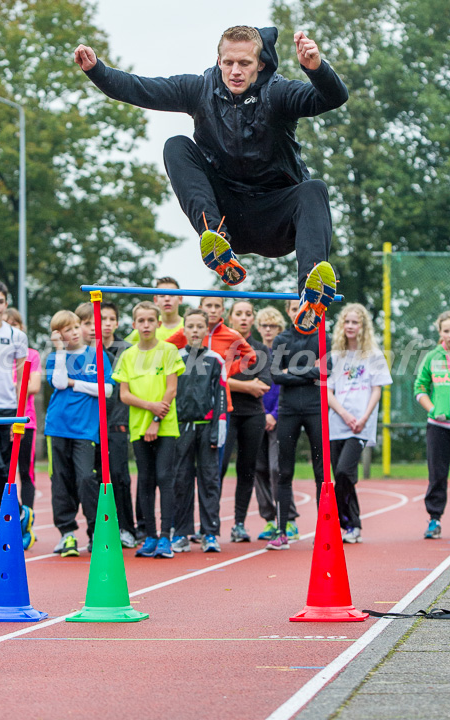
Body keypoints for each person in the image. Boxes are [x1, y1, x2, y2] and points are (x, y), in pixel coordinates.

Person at [75, 25, 348, 334]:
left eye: (244, 64)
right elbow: (141, 89)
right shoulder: (199, 90)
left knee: (314, 190)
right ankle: (216, 245)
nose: (235, 71)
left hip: (277, 220)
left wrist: (316, 69)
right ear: (218, 61)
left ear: (260, 64)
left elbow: (333, 97)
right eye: (228, 63)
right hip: (228, 218)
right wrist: (97, 70)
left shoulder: (279, 93)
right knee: (176, 146)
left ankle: (311, 293)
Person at [167, 294, 257, 541]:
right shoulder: (188, 331)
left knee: (211, 474)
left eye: (218, 306)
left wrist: (226, 370)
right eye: (209, 305)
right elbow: (164, 347)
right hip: (186, 413)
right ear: (201, 309)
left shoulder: (229, 335)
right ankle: (182, 529)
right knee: (182, 475)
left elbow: (251, 357)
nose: (214, 309)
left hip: (217, 408)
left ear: (223, 310)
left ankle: (210, 530)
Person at [112, 301, 185, 559]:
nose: (145, 325)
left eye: (150, 321)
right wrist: (149, 407)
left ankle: (166, 536)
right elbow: (124, 395)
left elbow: (171, 389)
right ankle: (150, 536)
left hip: (165, 426)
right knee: (145, 480)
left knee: (164, 478)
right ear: (134, 325)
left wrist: (156, 417)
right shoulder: (128, 355)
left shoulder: (168, 351)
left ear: (158, 324)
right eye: (140, 321)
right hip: (138, 428)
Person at [45, 310, 114, 557]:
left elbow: (107, 390)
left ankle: (95, 533)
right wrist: (60, 351)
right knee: (61, 480)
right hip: (58, 426)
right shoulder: (56, 357)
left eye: (76, 327)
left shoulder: (97, 354)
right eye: (67, 330)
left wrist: (77, 384)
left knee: (86, 478)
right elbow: (60, 383)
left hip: (85, 429)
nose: (74, 332)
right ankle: (67, 534)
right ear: (58, 335)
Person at [266, 297, 331, 550]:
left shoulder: (321, 337)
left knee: (321, 473)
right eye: (295, 309)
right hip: (289, 411)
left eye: (303, 308)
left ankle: (324, 530)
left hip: (316, 410)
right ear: (289, 311)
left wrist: (291, 372)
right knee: (284, 471)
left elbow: (327, 370)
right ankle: (281, 532)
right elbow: (275, 376)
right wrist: (310, 373)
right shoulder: (282, 340)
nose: (300, 312)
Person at [328, 304, 392, 544]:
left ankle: (350, 523)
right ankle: (350, 526)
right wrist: (344, 414)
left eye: (355, 322)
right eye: (347, 322)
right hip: (337, 424)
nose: (350, 326)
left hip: (361, 426)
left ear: (363, 326)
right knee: (341, 476)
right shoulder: (334, 356)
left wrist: (363, 417)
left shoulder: (373, 356)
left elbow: (377, 390)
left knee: (345, 471)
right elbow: (328, 392)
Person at [172, 307, 227, 553]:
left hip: (208, 429)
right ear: (184, 329)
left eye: (199, 326)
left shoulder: (216, 360)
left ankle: (210, 533)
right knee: (181, 481)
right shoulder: (174, 358)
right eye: (190, 326)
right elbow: (169, 394)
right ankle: (182, 532)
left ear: (206, 329)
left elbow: (222, 399)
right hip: (180, 428)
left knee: (209, 481)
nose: (195, 330)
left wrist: (218, 432)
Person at [0, 279, 34, 550]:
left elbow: (22, 376)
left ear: (6, 304)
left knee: (4, 473)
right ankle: (19, 512)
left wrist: (19, 408)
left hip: (8, 411)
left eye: (0, 302)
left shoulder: (16, 336)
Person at [221, 300, 271, 542]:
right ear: (230, 317)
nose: (243, 318)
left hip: (253, 415)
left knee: (247, 469)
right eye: (238, 313)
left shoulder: (261, 349)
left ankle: (239, 524)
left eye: (247, 314)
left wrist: (234, 384)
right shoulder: (222, 346)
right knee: (217, 469)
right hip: (226, 413)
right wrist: (246, 385)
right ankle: (208, 524)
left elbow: (264, 385)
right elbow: (217, 380)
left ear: (253, 318)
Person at [414, 309, 450, 540]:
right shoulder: (432, 357)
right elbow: (420, 388)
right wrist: (433, 409)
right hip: (438, 426)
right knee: (437, 474)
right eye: (446, 331)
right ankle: (434, 520)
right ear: (440, 332)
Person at [253, 306, 299, 540]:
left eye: (273, 326)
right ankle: (269, 519)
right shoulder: (255, 353)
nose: (268, 330)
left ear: (280, 329)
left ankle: (288, 518)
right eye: (264, 326)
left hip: (279, 416)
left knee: (276, 468)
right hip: (257, 417)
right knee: (258, 469)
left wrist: (273, 414)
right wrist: (261, 414)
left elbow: (286, 386)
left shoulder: (285, 352)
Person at [100, 301, 137, 548]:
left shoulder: (125, 350)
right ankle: (99, 531)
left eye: (111, 319)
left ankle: (127, 528)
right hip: (91, 425)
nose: (106, 324)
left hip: (117, 423)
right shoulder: (84, 351)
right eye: (101, 319)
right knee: (94, 480)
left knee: (120, 476)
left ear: (116, 322)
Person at [3, 307, 41, 510]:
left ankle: (27, 519)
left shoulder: (31, 355)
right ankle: (8, 515)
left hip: (25, 420)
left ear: (21, 328)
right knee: (0, 470)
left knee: (26, 472)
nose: (10, 328)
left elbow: (33, 386)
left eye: (14, 324)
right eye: (5, 323)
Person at [125, 277, 184, 345]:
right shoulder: (145, 325)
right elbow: (121, 348)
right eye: (162, 295)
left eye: (172, 295)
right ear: (155, 300)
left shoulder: (189, 326)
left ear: (180, 299)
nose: (167, 299)